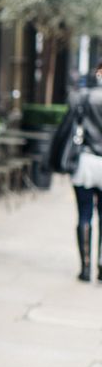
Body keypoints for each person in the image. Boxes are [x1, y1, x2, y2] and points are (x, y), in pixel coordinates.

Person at [68, 60, 102, 282]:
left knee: (84, 214)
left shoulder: (82, 95)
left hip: (86, 160)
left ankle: (86, 267)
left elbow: (69, 127)